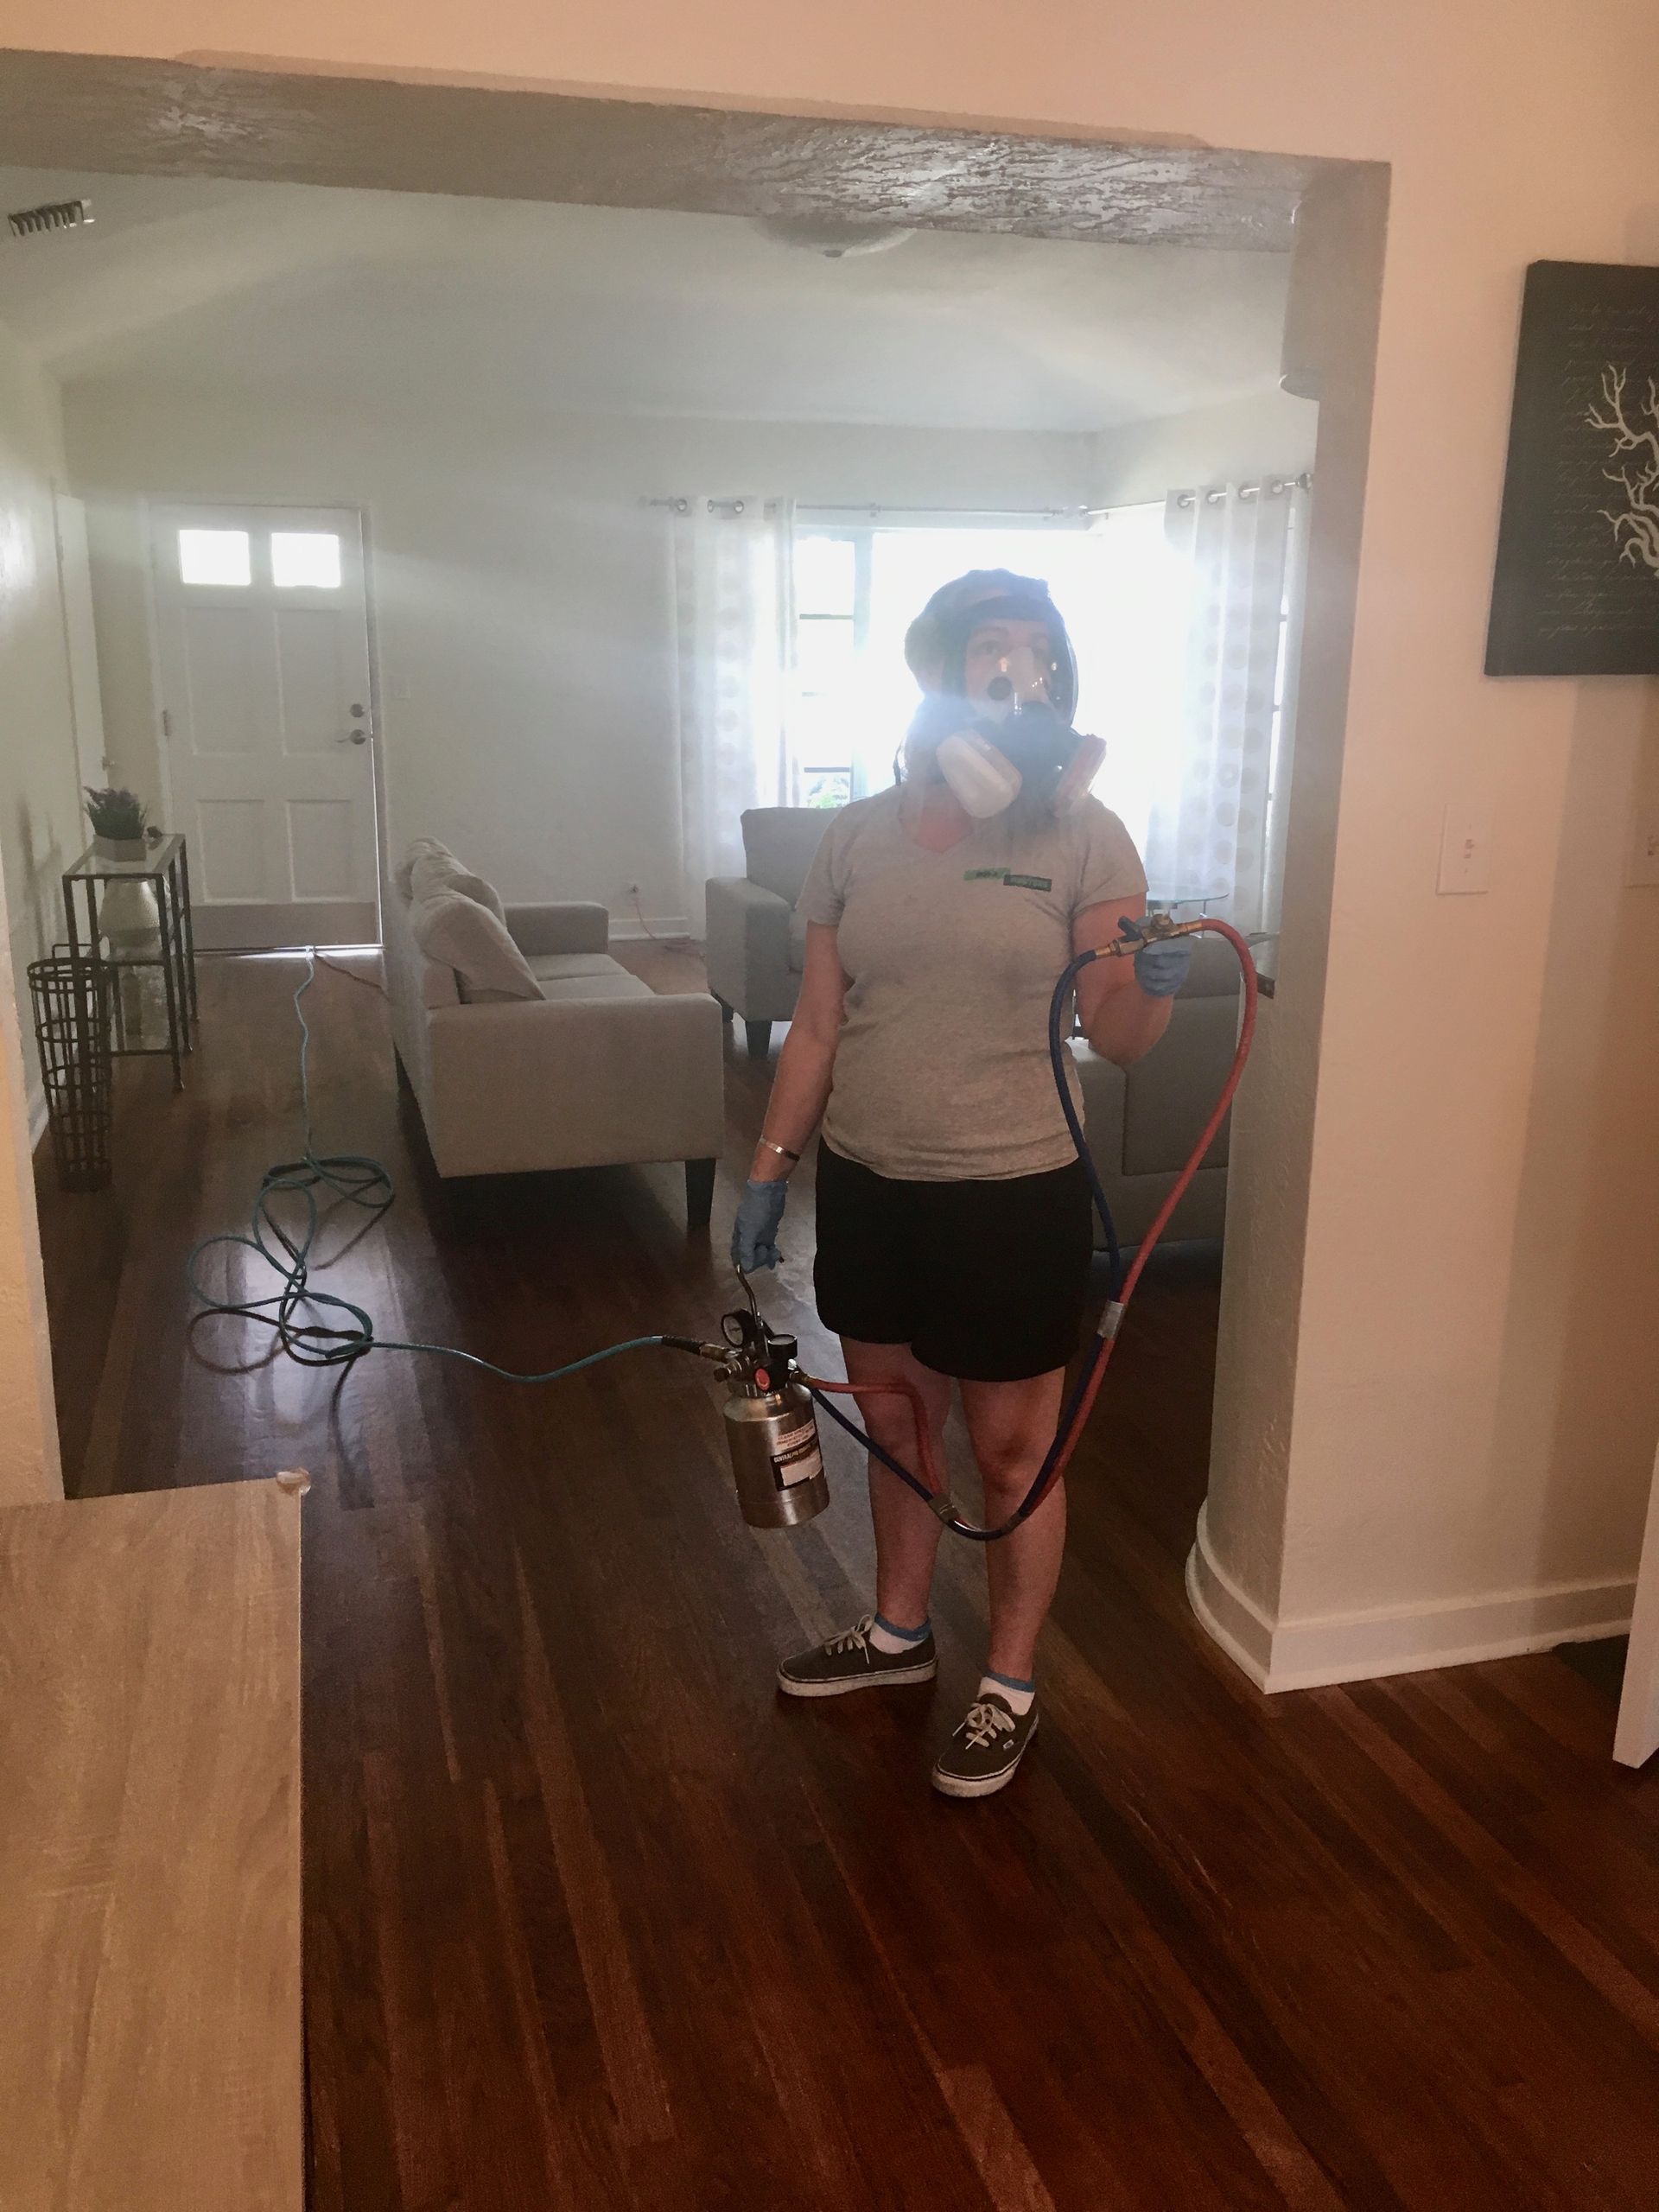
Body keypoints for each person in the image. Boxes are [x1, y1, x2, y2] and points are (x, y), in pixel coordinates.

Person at [730, 569, 1191, 1798]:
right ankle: (896, 1632)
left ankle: (1013, 1679)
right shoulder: (856, 835)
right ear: (940, 673)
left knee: (1010, 1452)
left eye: (1037, 653)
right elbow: (819, 1027)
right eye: (991, 647)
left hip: (1013, 1189)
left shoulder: (1082, 835)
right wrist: (768, 1172)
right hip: (873, 1182)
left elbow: (1121, 1032)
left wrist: (1157, 982)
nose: (1013, 671)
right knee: (894, 1421)